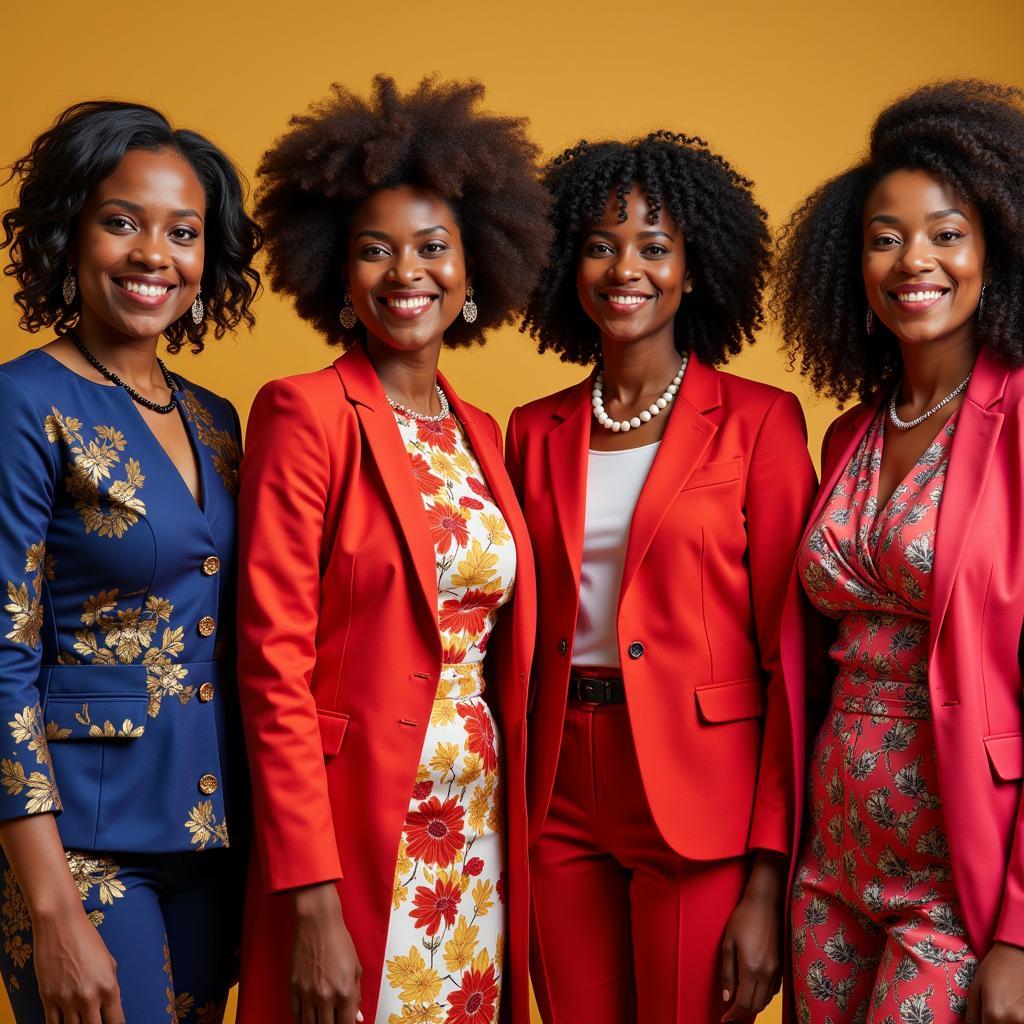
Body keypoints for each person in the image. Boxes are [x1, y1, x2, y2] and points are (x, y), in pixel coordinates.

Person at [235, 75, 550, 1024]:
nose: (404, 272)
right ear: (338, 268)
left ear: (474, 270)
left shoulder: (481, 434)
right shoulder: (306, 413)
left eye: (432, 247)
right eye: (375, 250)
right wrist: (312, 901)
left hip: (475, 827)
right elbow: (271, 666)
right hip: (356, 830)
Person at [509, 132, 817, 1023]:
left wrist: (767, 880)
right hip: (559, 785)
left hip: (701, 789)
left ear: (694, 266)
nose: (624, 268)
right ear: (570, 262)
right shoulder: (532, 431)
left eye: (653, 245)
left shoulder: (759, 423)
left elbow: (787, 664)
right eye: (601, 244)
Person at [0, 100, 260, 1023]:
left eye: (181, 232)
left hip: (214, 838)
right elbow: (2, 660)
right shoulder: (22, 403)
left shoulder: (218, 419)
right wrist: (48, 904)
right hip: (80, 847)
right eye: (121, 222)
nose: (155, 254)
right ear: (69, 233)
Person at [777, 79, 1024, 1024]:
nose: (913, 260)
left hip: (959, 878)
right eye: (886, 238)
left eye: (946, 233)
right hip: (829, 864)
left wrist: (1017, 932)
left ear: (995, 249)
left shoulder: (1016, 424)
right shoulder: (850, 437)